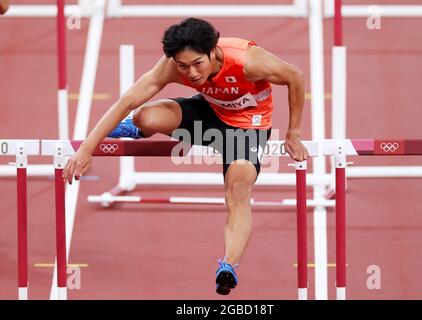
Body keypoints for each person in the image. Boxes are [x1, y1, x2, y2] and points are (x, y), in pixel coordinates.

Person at [63, 17, 309, 295]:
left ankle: (227, 265)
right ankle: (140, 129)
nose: (191, 73)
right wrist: (86, 148)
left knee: (238, 191)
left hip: (248, 128)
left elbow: (294, 77)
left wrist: (294, 133)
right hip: (209, 114)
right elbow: (127, 100)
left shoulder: (248, 61)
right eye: (183, 66)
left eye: (197, 64)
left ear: (213, 51)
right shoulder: (173, 66)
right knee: (144, 114)